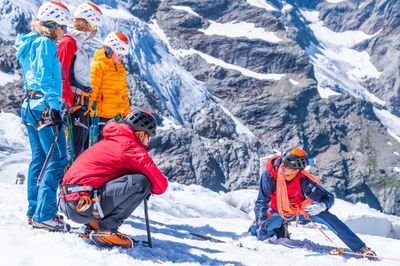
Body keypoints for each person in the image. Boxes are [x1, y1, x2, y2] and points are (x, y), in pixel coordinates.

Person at [59, 108, 168, 248]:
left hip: (71, 202)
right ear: (141, 134)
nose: (147, 142)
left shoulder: (113, 140)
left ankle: (93, 226)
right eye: (148, 137)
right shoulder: (130, 146)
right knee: (142, 183)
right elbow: (161, 186)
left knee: (127, 178)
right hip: (80, 204)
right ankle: (106, 230)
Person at [249, 147, 378, 260]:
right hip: (278, 211)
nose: (282, 167)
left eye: (287, 166)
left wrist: (322, 206)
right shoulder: (270, 175)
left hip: (299, 211)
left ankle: (361, 248)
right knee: (255, 232)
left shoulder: (304, 180)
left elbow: (328, 197)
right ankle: (280, 229)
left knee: (328, 217)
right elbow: (261, 203)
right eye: (283, 162)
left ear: (296, 170)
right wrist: (263, 235)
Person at [15, 1, 72, 231]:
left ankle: (34, 210)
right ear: (52, 23)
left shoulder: (28, 43)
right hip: (44, 107)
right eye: (63, 26)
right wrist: (54, 106)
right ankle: (45, 214)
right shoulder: (46, 44)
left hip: (29, 105)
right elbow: (46, 77)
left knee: (39, 158)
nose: (65, 31)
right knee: (58, 158)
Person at [57, 2, 103, 161]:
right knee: (75, 152)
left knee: (81, 150)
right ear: (86, 22)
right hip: (74, 105)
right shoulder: (68, 42)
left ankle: (75, 184)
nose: (94, 29)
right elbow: (62, 75)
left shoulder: (78, 43)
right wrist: (67, 103)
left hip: (81, 105)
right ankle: (70, 184)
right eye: (93, 25)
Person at [89, 31, 131, 142]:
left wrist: (126, 114)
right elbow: (92, 91)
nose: (122, 58)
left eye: (124, 55)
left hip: (116, 117)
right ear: (110, 51)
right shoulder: (98, 66)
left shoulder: (120, 68)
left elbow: (124, 93)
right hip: (100, 117)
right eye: (120, 54)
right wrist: (89, 114)